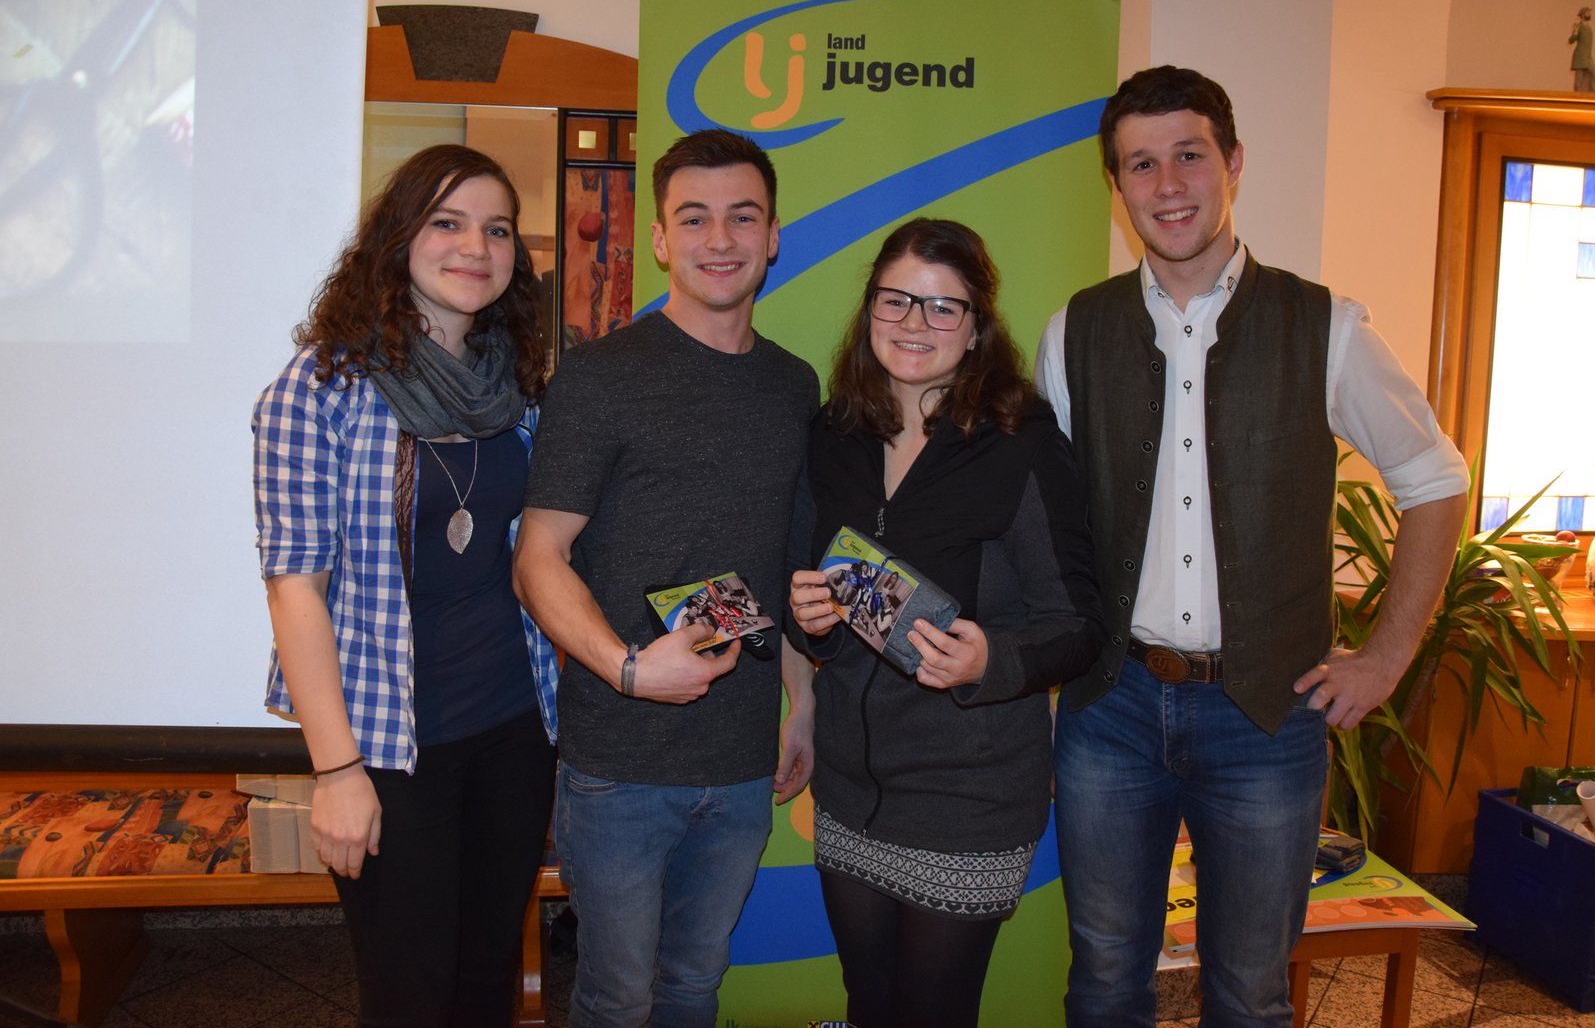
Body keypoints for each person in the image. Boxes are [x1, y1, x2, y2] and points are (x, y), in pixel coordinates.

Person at [1033, 66, 1470, 1027]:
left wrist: (1387, 655)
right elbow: (1047, 520)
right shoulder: (1074, 333)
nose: (1168, 185)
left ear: (1233, 163)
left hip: (1266, 716)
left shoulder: (1327, 328)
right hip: (1112, 707)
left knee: (1250, 990)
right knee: (1103, 977)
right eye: (1141, 164)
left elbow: (1436, 480)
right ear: (1117, 185)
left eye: (1189, 155)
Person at [513, 128, 819, 1028]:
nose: (719, 239)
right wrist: (628, 670)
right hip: (621, 765)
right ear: (658, 238)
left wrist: (803, 701)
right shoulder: (599, 378)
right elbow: (537, 559)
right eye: (694, 218)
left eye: (742, 217)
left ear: (773, 236)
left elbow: (783, 563)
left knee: (693, 989)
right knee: (616, 998)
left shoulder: (794, 386)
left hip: (742, 762)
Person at [252, 144, 558, 1027]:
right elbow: (294, 589)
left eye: (497, 229)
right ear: (398, 237)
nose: (475, 247)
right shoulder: (322, 389)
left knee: (487, 979)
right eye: (447, 222)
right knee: (407, 994)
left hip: (515, 727)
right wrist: (337, 770)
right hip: (389, 747)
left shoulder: (519, 386)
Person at [787, 218, 1105, 1028]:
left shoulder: (1021, 443)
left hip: (970, 795)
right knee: (870, 1006)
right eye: (896, 300)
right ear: (869, 309)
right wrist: (810, 621)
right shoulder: (833, 434)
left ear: (976, 326)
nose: (914, 323)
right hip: (850, 791)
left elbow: (1077, 623)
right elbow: (813, 607)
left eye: (942, 306)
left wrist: (988, 660)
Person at [1570, 7, 1595, 92]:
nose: (1589, 14)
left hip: (1587, 57)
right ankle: (1577, 96)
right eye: (1588, 13)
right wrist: (1575, 31)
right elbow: (1571, 40)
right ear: (1583, 14)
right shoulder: (1579, 27)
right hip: (1580, 57)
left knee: (1594, 73)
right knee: (1578, 80)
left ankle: (1592, 95)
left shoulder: (1589, 28)